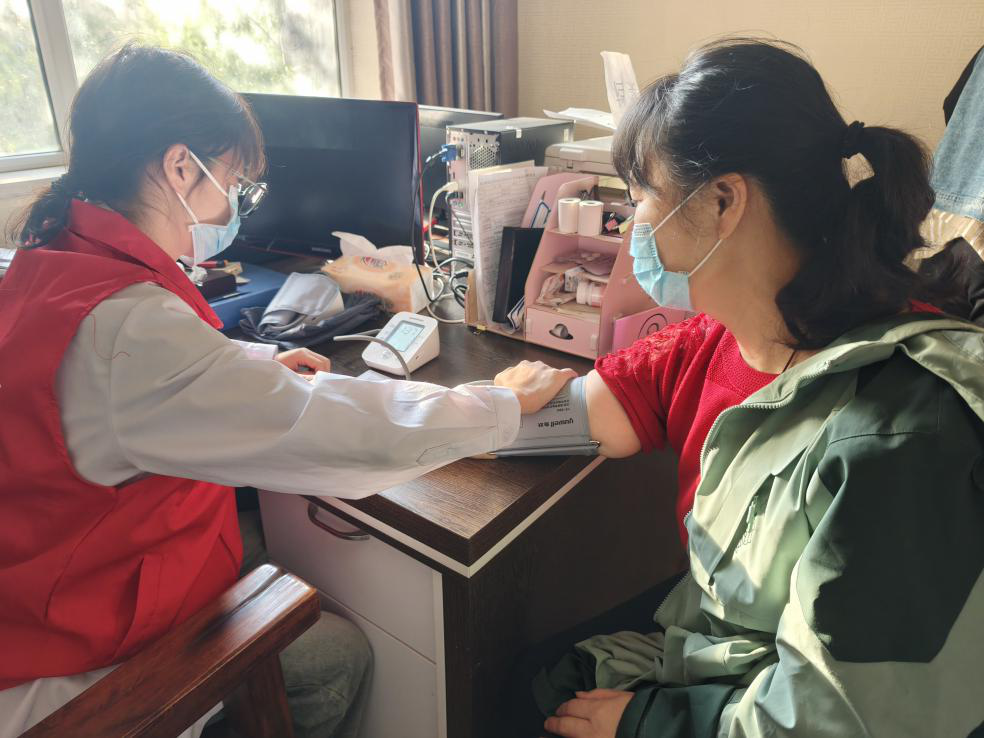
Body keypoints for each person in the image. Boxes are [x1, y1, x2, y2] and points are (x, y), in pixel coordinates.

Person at [0, 45, 575, 738]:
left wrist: (248, 363)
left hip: (44, 584)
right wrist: (497, 404)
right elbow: (332, 425)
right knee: (336, 654)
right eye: (233, 181)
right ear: (180, 167)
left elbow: (127, 381)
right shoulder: (130, 330)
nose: (233, 204)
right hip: (76, 657)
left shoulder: (52, 258)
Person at [494, 38, 984, 738]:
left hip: (808, 704)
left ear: (724, 201)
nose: (633, 226)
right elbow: (581, 413)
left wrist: (648, 724)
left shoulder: (901, 433)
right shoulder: (722, 337)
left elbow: (849, 718)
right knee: (532, 677)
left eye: (641, 198)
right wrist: (495, 408)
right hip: (735, 643)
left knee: (530, 697)